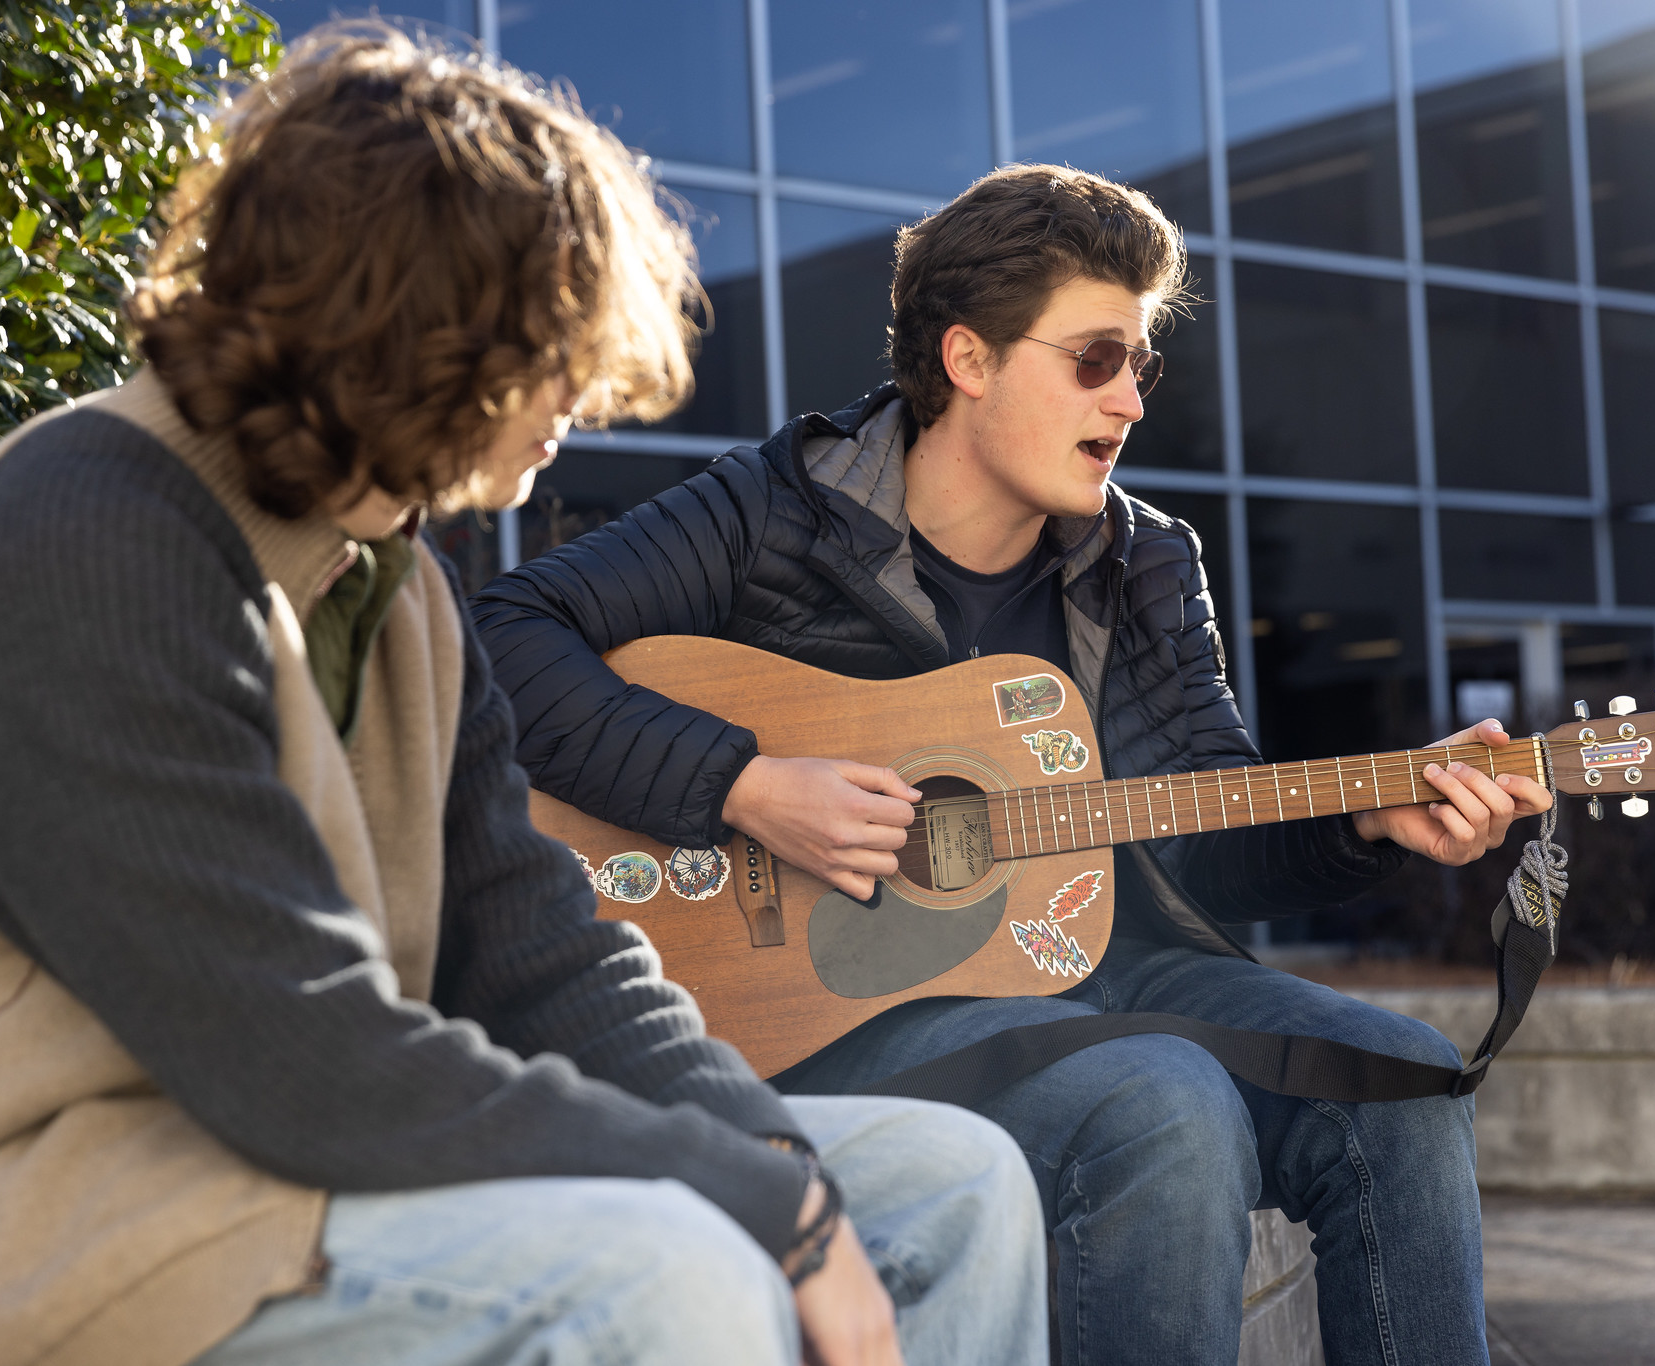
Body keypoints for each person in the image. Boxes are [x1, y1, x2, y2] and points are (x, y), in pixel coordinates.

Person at [0, 29, 1048, 1366]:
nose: (580, 388)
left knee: (952, 1182)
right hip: (71, 1233)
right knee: (669, 1273)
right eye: (546, 337)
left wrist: (764, 1155)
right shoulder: (86, 540)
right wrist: (762, 1206)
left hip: (312, 1167)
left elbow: (536, 947)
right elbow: (299, 1053)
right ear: (406, 319)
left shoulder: (395, 583)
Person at [472, 164, 1556, 1366]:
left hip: (1098, 968)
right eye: (1094, 358)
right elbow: (501, 639)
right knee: (1164, 1104)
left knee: (1398, 1078)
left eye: (1139, 363)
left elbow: (1205, 841)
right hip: (828, 1013)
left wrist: (1368, 822)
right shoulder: (772, 510)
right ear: (968, 359)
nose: (1130, 401)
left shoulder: (1143, 562)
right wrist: (743, 783)